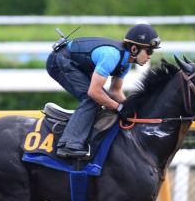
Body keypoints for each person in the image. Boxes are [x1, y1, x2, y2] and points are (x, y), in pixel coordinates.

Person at [46, 23, 161, 159]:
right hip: (59, 61)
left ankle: (86, 138)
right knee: (92, 98)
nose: (150, 56)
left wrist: (130, 110)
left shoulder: (126, 63)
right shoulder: (111, 56)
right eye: (149, 51)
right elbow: (94, 92)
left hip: (75, 63)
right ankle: (69, 145)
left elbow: (115, 91)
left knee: (104, 99)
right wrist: (119, 108)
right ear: (135, 49)